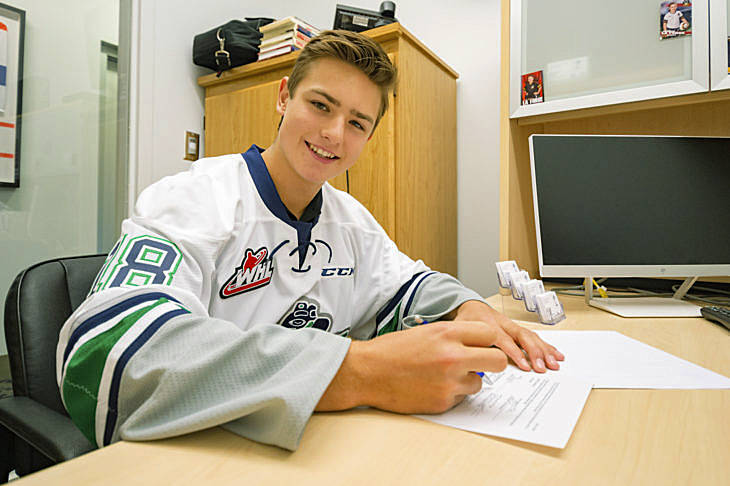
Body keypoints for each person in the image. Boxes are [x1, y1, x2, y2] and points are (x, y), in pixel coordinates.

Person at [56, 30, 564, 452]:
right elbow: (103, 354)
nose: (335, 134)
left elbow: (409, 285)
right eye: (321, 105)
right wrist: (359, 372)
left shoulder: (351, 220)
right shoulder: (195, 198)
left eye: (357, 123)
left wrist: (467, 308)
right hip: (201, 453)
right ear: (284, 96)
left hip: (310, 449)